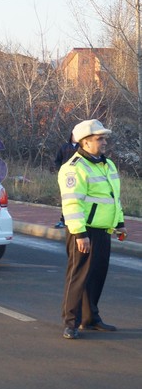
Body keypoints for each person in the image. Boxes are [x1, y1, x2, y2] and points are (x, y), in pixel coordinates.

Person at [58, 119, 125, 340]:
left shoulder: (107, 164)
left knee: (97, 276)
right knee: (78, 276)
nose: (104, 142)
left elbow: (114, 198)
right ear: (85, 143)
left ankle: (90, 318)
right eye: (99, 139)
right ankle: (71, 322)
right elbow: (72, 203)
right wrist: (80, 234)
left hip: (103, 230)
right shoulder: (74, 168)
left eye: (104, 138)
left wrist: (119, 223)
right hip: (84, 231)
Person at [53, 134, 78, 228]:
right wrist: (60, 170)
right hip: (66, 177)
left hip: (78, 176)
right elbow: (57, 160)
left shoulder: (82, 148)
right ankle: (63, 220)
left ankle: (74, 221)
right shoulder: (64, 147)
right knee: (66, 198)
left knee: (76, 199)